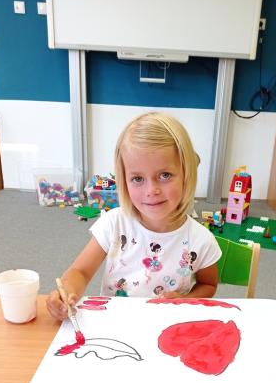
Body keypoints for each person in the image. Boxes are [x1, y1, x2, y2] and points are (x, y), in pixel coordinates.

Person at [47, 111, 222, 321]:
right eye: (138, 178)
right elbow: (80, 272)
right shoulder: (114, 224)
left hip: (167, 326)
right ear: (124, 180)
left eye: (165, 175)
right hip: (116, 324)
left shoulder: (201, 240)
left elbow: (208, 285)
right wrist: (66, 292)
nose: (151, 190)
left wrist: (186, 300)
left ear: (186, 174)